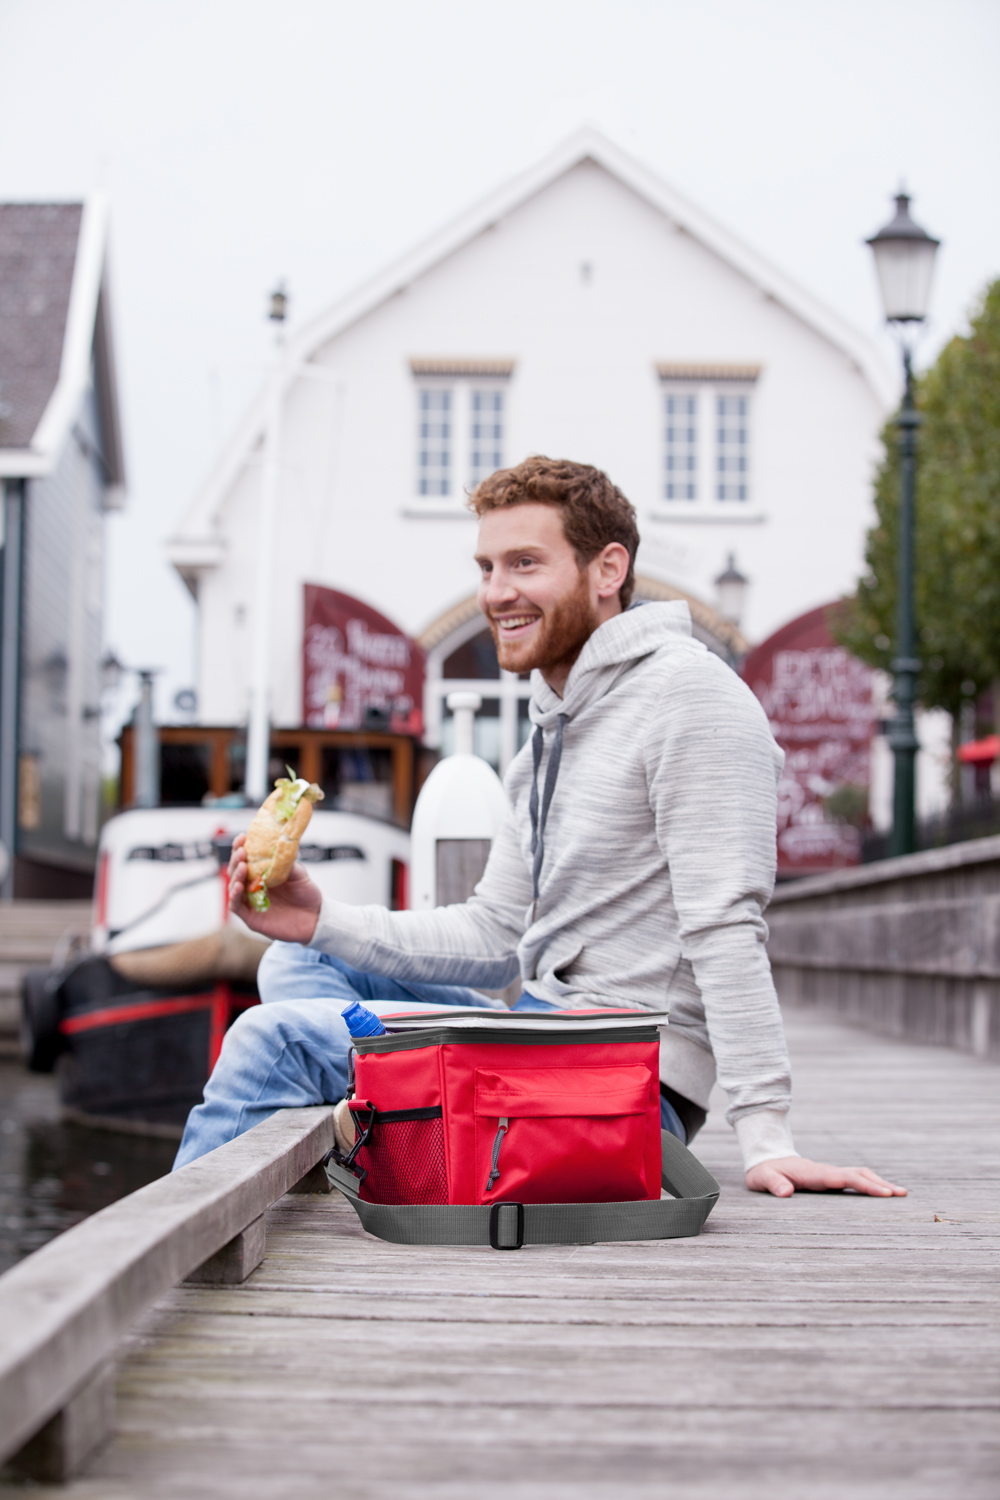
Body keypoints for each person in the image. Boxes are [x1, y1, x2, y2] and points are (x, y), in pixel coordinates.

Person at [174, 456, 905, 1200]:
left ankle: (172, 1267)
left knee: (270, 1038)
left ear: (607, 569)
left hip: (619, 1075)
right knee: (294, 966)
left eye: (525, 563)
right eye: (487, 566)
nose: (496, 592)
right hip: (542, 1027)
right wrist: (318, 918)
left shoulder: (691, 698)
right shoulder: (549, 732)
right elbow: (495, 938)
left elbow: (726, 925)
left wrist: (767, 1133)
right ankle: (399, 1132)